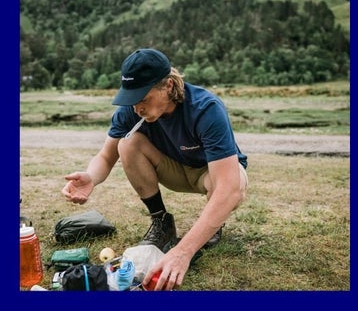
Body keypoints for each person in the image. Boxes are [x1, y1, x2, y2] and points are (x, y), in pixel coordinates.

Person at [61, 48, 248, 291]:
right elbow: (106, 156)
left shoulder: (205, 108)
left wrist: (183, 252)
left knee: (234, 186)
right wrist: (91, 177)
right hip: (173, 170)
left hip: (209, 174)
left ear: (168, 86)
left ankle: (213, 222)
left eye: (143, 98)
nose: (137, 107)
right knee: (127, 144)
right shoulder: (131, 110)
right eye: (132, 99)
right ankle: (161, 222)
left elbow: (228, 188)